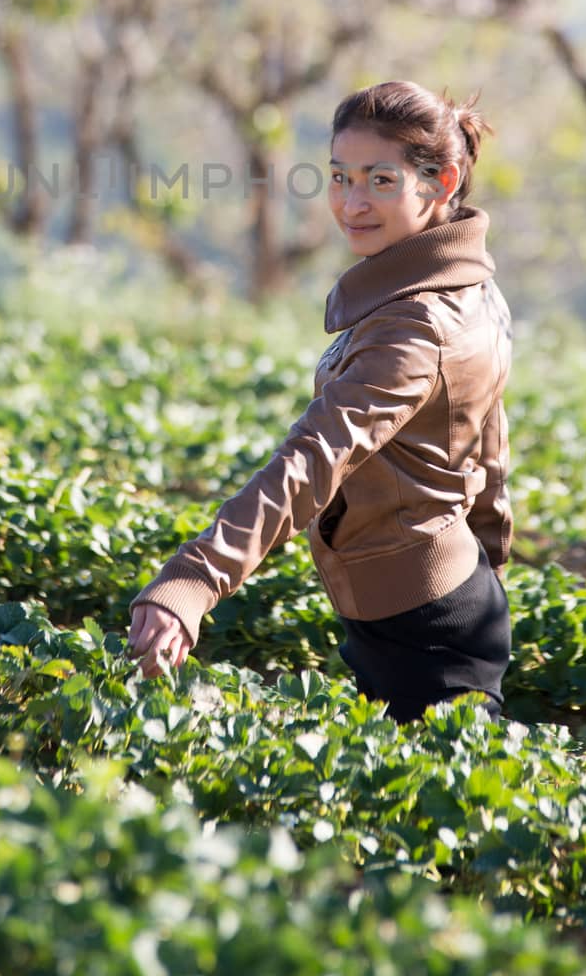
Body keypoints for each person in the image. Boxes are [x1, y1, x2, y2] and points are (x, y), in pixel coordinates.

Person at [126, 80, 513, 724]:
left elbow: (312, 461)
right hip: (444, 599)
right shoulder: (468, 285)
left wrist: (192, 582)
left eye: (380, 181)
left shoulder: (415, 325)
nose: (352, 204)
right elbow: (483, 444)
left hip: (426, 627)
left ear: (439, 183)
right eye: (340, 177)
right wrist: (490, 561)